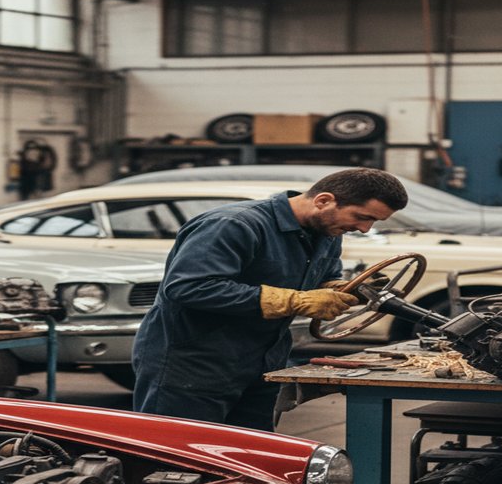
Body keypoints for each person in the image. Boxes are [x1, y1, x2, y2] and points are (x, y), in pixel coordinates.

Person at [132, 167, 408, 431]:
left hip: (264, 361)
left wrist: (348, 290)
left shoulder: (327, 233)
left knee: (249, 452)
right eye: (361, 217)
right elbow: (188, 287)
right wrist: (294, 300)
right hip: (193, 362)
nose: (364, 228)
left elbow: (319, 282)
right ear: (323, 200)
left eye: (373, 222)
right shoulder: (233, 224)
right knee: (180, 453)